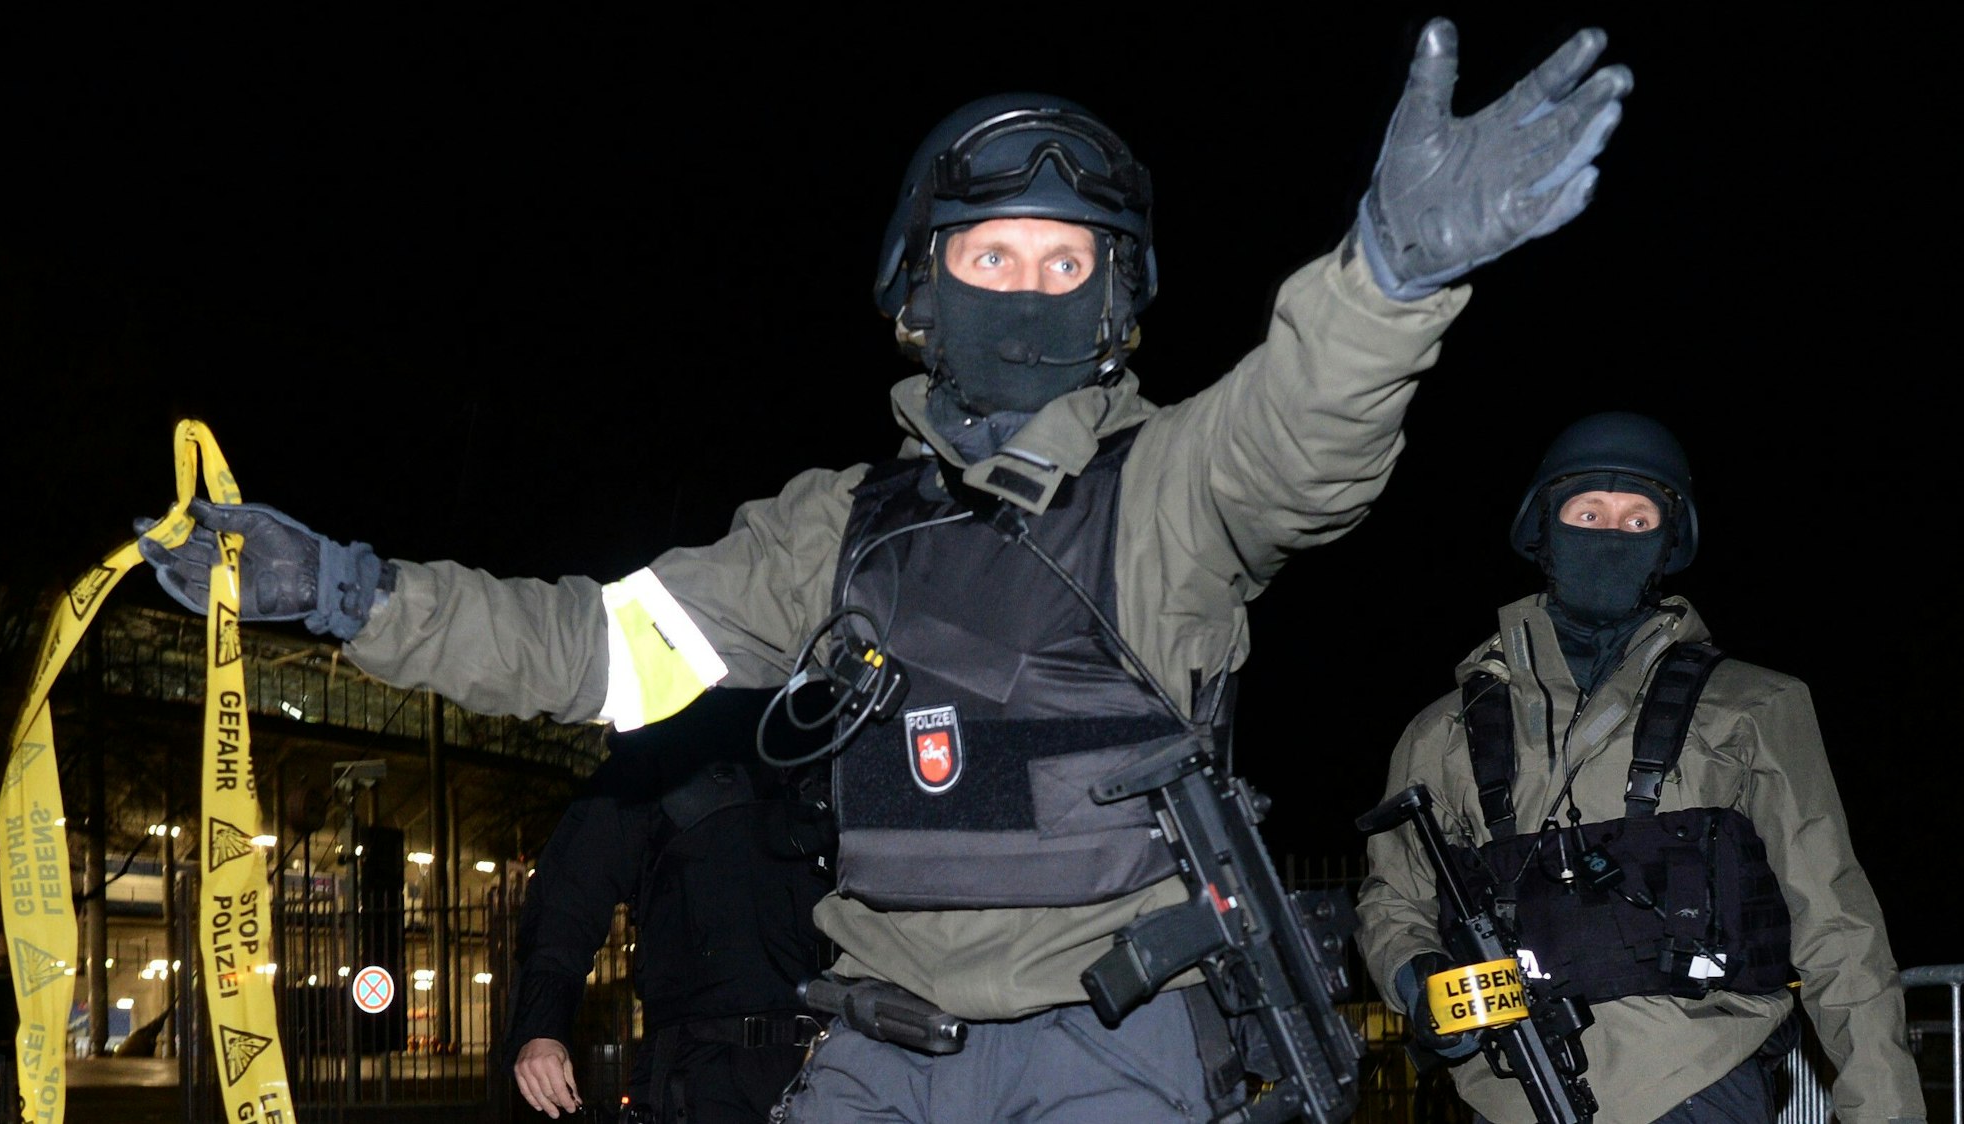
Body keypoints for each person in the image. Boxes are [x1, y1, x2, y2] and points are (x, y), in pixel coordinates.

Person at [140, 19, 1633, 1121]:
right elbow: (590, 651)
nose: (1030, 290)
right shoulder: (832, 529)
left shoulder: (1169, 487)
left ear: (1117, 301)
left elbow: (1303, 435)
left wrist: (1388, 277)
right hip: (876, 1051)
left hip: (1115, 1049)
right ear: (923, 294)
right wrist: (347, 594)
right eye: (994, 257)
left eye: (1068, 263)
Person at [1355, 412, 1925, 1124]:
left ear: (1665, 544)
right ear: (1542, 532)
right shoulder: (1442, 731)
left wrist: (1886, 1111)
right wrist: (1417, 979)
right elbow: (1392, 899)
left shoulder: (1752, 707)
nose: (1607, 536)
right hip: (1506, 1093)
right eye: (1586, 513)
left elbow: (1836, 925)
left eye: (1635, 520)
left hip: (1695, 1080)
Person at [506, 690, 835, 1123]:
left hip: (836, 1064)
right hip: (702, 1074)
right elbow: (567, 902)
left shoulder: (837, 747)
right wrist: (542, 1028)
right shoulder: (659, 756)